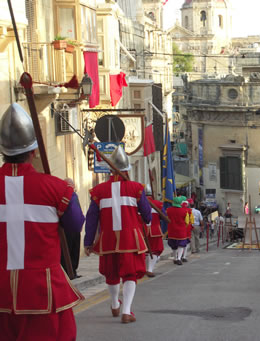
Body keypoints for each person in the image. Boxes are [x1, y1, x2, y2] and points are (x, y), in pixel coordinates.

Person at [0, 103, 85, 340]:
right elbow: (75, 226)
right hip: (43, 290)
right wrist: (70, 196)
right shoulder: (57, 189)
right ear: (34, 151)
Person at [84, 145, 152, 324]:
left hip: (107, 239)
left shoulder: (98, 191)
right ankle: (126, 311)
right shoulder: (136, 188)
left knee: (111, 273)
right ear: (127, 169)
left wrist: (88, 242)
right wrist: (147, 220)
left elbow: (91, 218)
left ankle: (115, 304)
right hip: (130, 239)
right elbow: (146, 213)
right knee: (130, 274)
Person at [60, 177, 82, 279]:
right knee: (67, 250)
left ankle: (73, 271)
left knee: (75, 250)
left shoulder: (74, 195)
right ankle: (68, 272)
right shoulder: (63, 195)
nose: (73, 186)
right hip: (67, 227)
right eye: (71, 184)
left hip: (76, 227)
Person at [144, 186, 164, 277]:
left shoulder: (138, 203)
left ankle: (145, 268)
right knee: (155, 250)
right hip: (155, 230)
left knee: (144, 251)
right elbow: (163, 216)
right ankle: (150, 269)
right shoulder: (158, 204)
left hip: (142, 231)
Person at [166, 196, 190, 265]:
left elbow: (166, 218)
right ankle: (179, 258)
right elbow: (187, 222)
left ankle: (175, 258)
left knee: (173, 245)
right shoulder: (185, 211)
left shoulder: (168, 210)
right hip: (181, 230)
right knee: (181, 245)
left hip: (171, 230)